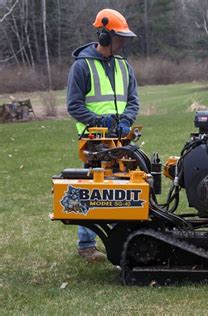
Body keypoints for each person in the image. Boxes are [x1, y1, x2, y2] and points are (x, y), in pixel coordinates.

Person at [66, 9, 139, 262]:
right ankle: (86, 245)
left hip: (121, 139)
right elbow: (74, 106)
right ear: (105, 37)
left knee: (124, 187)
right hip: (94, 141)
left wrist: (126, 120)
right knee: (92, 189)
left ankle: (123, 238)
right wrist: (99, 122)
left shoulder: (124, 66)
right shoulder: (82, 66)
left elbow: (133, 101)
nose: (123, 43)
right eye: (119, 38)